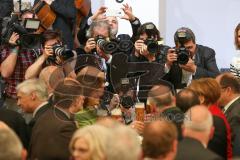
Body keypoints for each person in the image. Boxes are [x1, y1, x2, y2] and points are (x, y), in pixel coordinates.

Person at [29, 78, 84, 160]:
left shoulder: (46, 115)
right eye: (81, 96)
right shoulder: (65, 127)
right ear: (76, 101)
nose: (84, 98)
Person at [0, 11, 37, 112]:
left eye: (35, 22)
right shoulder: (8, 47)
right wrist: (15, 48)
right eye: (29, 22)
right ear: (19, 24)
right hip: (14, 100)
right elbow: (5, 73)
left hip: (34, 99)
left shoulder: (38, 44)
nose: (31, 27)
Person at [188, 78, 232, 159]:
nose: (189, 99)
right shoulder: (212, 112)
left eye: (191, 95)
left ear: (201, 99)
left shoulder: (213, 119)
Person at [216, 72, 240, 156]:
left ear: (228, 90)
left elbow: (234, 148)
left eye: (216, 89)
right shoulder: (232, 107)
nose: (214, 93)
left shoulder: (235, 114)